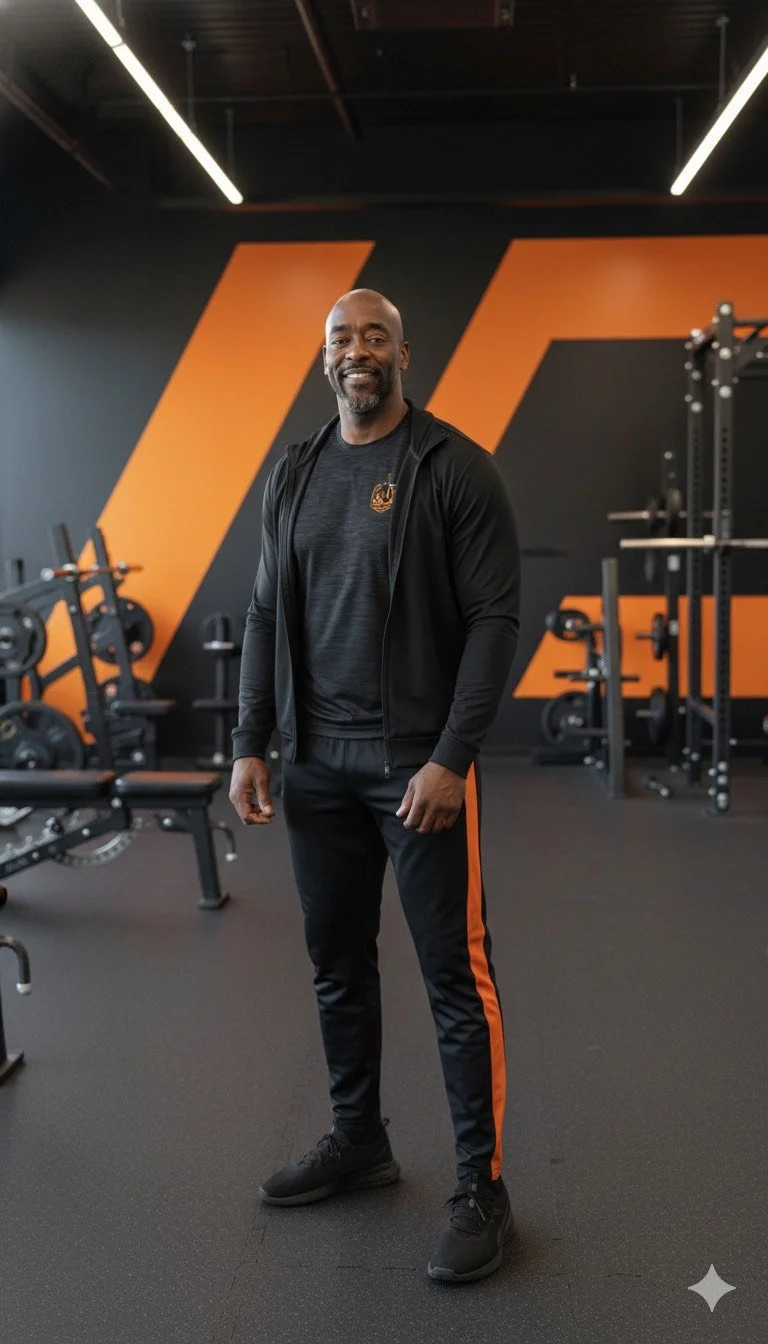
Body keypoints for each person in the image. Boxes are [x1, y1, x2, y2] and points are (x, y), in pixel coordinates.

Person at [230, 288, 521, 1284]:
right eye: (340, 338)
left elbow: (493, 623)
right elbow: (265, 610)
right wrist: (251, 739)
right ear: (324, 360)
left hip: (415, 768)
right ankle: (361, 1138)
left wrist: (451, 757)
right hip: (316, 764)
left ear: (405, 351)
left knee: (455, 977)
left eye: (374, 336)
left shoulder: (453, 470)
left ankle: (483, 1185)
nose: (357, 351)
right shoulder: (296, 473)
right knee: (337, 965)